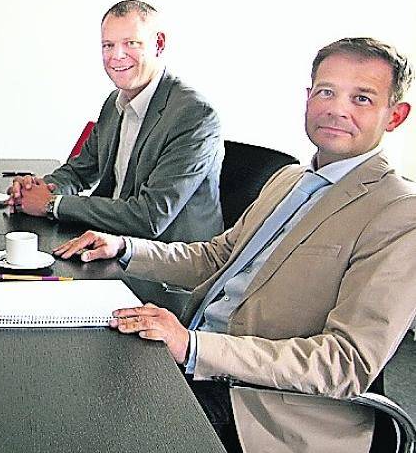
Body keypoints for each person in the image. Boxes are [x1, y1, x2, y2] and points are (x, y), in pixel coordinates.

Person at [54, 37, 416, 452]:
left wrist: (194, 347)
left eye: (362, 98)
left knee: (98, 429)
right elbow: (216, 258)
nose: (337, 108)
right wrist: (123, 248)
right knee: (76, 379)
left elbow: (344, 362)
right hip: (202, 361)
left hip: (267, 408)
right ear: (308, 97)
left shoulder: (398, 211)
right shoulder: (289, 180)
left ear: (395, 116)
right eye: (326, 92)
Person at [7, 0, 223, 242]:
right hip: (113, 244)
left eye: (131, 43)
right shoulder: (115, 102)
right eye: (108, 45)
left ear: (159, 44)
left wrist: (51, 204)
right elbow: (80, 172)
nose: (116, 56)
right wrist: (36, 189)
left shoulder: (195, 116)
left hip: (166, 265)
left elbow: (150, 216)